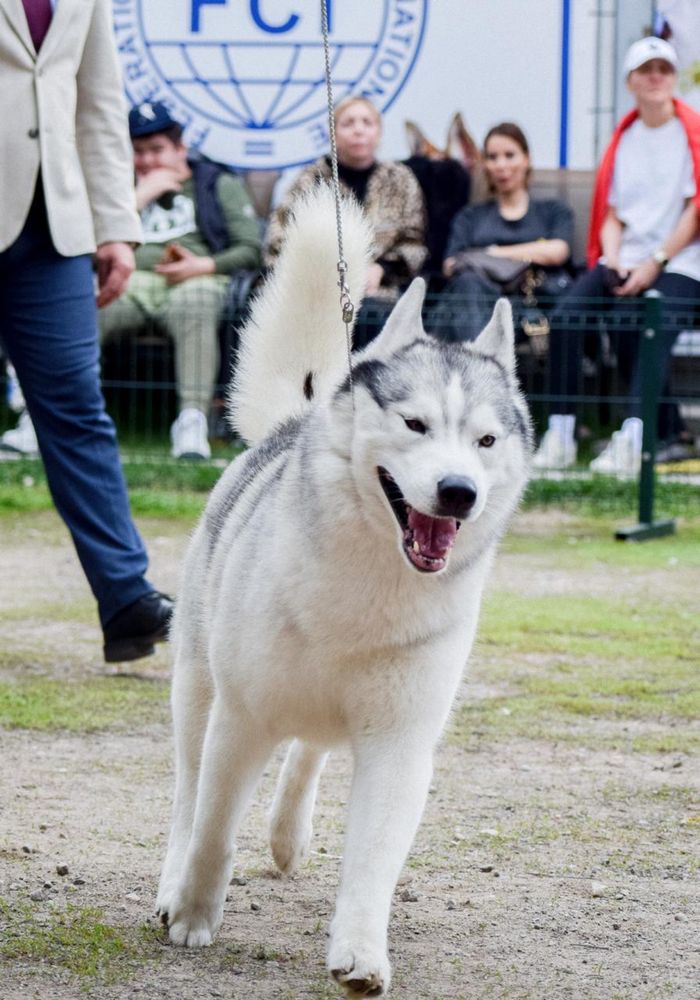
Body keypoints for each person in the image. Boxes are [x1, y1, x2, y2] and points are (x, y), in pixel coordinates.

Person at [0, 0, 172, 662]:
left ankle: (126, 599)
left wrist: (117, 226)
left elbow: (99, 105)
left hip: (57, 233)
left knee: (78, 413)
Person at [3, 100, 263, 461]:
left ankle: (192, 421)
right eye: (138, 151)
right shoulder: (116, 187)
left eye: (157, 150)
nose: (147, 161)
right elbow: (80, 243)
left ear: (180, 149)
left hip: (196, 282)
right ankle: (40, 419)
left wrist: (203, 265)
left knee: (196, 304)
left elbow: (250, 248)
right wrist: (140, 195)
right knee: (81, 312)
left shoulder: (215, 182)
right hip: (128, 280)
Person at [534, 36, 700, 473]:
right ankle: (562, 433)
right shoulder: (623, 138)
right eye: (646, 70)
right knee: (569, 316)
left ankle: (635, 437)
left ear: (674, 77)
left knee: (649, 320)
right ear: (630, 81)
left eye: (664, 69)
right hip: (624, 257)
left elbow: (695, 209)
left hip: (681, 262)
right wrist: (614, 259)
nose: (656, 77)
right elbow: (611, 212)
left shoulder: (691, 134)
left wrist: (654, 264)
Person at [264, 96, 427, 350]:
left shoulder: (401, 179)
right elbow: (278, 243)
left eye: (367, 122)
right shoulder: (310, 181)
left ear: (379, 132)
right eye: (348, 123)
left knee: (378, 323)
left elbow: (414, 242)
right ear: (333, 132)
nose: (358, 129)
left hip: (380, 296)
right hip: (319, 296)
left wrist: (382, 269)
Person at [429, 122, 574, 343]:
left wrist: (492, 253)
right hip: (475, 304)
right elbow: (451, 264)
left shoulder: (553, 211)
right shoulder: (470, 217)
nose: (501, 165)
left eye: (509, 155)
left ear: (527, 158)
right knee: (466, 285)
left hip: (528, 307)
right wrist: (529, 252)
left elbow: (557, 251)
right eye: (492, 157)